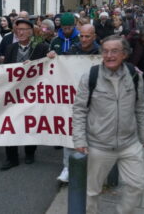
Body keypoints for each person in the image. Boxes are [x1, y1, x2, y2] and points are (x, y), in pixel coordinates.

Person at [73, 35, 144, 214]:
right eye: (105, 51)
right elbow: (79, 110)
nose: (109, 55)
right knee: (92, 191)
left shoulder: (135, 76)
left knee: (137, 185)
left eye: (114, 51)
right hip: (99, 146)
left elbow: (140, 107)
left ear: (124, 54)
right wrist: (79, 140)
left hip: (129, 144)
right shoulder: (90, 77)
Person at [0, 18, 50, 171]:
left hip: (33, 93)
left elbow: (49, 68)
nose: (20, 32)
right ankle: (11, 157)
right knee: (10, 124)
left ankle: (30, 152)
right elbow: (4, 71)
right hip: (13, 94)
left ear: (31, 32)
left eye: (24, 29)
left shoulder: (41, 47)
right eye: (18, 29)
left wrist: (51, 56)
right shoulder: (10, 48)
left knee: (30, 123)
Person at [55, 24, 99, 183]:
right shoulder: (72, 51)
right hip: (74, 101)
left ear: (94, 36)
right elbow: (59, 64)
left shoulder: (101, 53)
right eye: (82, 36)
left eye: (88, 36)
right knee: (71, 133)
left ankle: (91, 167)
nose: (84, 39)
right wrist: (53, 57)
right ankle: (67, 167)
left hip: (96, 102)